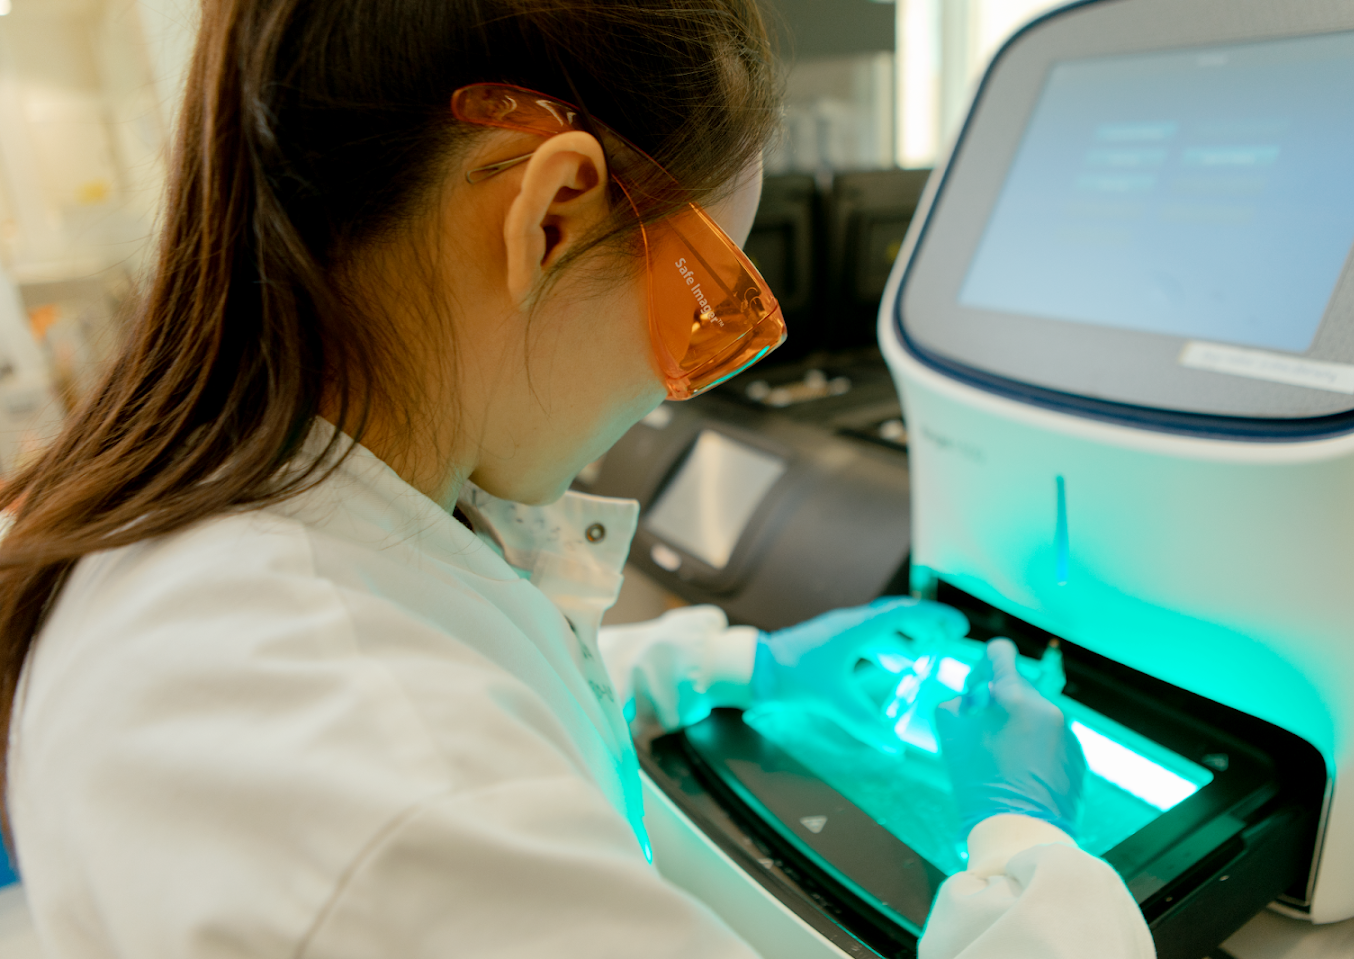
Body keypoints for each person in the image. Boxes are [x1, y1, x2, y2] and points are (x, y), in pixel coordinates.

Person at [0, 1, 1153, 956]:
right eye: (705, 312)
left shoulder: (204, 518)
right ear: (550, 215)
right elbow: (441, 758)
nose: (679, 381)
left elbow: (470, 660)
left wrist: (731, 665)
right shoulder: (404, 809)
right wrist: (1028, 845)